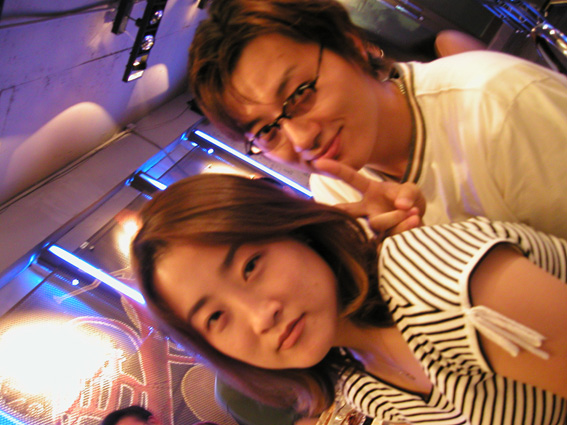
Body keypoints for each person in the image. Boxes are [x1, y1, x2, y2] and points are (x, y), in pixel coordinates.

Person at [130, 167, 567, 425]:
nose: (260, 317)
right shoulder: (355, 379)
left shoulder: (426, 277)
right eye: (215, 318)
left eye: (250, 266)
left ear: (293, 229)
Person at [187, 0, 567, 239]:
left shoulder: (497, 102)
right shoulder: (335, 189)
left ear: (351, 46)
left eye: (300, 94)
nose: (301, 140)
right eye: (267, 131)